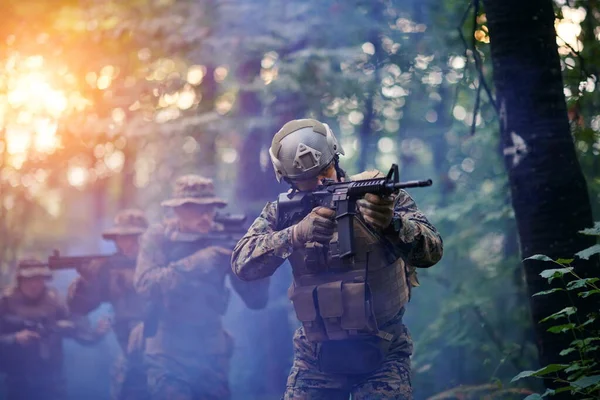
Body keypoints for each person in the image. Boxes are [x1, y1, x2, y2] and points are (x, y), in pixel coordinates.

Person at [231, 119, 443, 399]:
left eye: (325, 171)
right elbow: (242, 264)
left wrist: (391, 223)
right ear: (288, 179)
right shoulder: (280, 213)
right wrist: (294, 234)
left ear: (336, 158)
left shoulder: (377, 196)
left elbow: (432, 250)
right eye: (308, 181)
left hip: (384, 352)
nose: (321, 183)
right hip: (315, 358)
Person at [134, 175, 270, 400]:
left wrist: (258, 265)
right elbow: (145, 284)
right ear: (177, 210)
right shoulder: (159, 237)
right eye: (195, 209)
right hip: (167, 349)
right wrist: (198, 262)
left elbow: (256, 301)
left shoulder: (225, 237)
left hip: (211, 351)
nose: (205, 216)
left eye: (209, 209)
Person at [67, 209, 150, 400]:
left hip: (165, 353)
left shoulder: (162, 262)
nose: (127, 244)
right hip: (128, 351)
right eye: (121, 238)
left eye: (133, 238)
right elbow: (79, 307)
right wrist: (88, 280)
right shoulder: (109, 268)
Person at [0, 259, 110, 400]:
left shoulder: (54, 300)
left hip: (52, 382)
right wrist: (15, 338)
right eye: (29, 279)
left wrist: (97, 334)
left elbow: (76, 330)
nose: (34, 284)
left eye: (38, 279)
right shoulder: (5, 302)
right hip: (18, 382)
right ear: (20, 280)